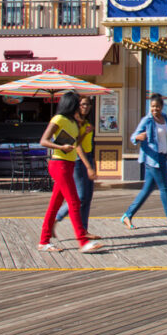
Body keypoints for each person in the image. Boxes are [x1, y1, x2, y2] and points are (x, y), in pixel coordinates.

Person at [37, 92, 104, 253]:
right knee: (74, 201)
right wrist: (60, 147)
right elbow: (44, 141)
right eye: (77, 104)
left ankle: (44, 241)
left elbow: (75, 143)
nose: (80, 107)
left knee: (55, 204)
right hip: (59, 164)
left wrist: (84, 133)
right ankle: (83, 241)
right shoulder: (58, 119)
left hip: (69, 164)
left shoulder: (73, 122)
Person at [120, 93, 167, 230]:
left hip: (162, 156)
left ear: (162, 107)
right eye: (152, 107)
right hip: (152, 158)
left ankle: (127, 215)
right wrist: (139, 137)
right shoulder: (147, 120)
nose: (154, 109)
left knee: (147, 189)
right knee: (164, 188)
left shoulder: (165, 118)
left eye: (157, 106)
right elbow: (133, 137)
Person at [55, 95, 100, 239]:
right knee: (79, 196)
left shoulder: (85, 121)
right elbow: (76, 145)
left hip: (88, 158)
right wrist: (89, 166)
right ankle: (57, 218)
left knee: (87, 197)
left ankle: (84, 230)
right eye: (82, 104)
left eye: (88, 104)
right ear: (77, 106)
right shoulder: (74, 122)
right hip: (79, 161)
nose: (85, 107)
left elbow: (88, 145)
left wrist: (93, 163)